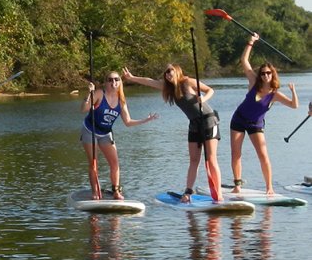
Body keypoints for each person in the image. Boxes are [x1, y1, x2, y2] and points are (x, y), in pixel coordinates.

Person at [122, 65, 223, 203]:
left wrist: (203, 99)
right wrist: (132, 78)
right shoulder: (168, 88)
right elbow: (149, 81)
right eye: (166, 72)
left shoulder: (188, 82)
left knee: (211, 159)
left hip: (208, 120)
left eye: (171, 70)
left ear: (178, 71)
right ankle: (188, 192)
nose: (168, 73)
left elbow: (210, 90)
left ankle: (219, 195)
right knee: (194, 160)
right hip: (194, 123)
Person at [230, 33, 299, 195]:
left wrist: (293, 91)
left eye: (268, 73)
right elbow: (244, 61)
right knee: (236, 153)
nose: (265, 75)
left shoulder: (274, 94)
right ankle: (237, 185)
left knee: (263, 155)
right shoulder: (254, 82)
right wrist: (251, 42)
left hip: (255, 125)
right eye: (263, 73)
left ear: (272, 74)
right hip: (238, 120)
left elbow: (294, 106)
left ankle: (269, 188)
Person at [81, 71, 158, 200]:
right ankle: (95, 191)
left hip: (106, 133)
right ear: (106, 82)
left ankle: (116, 191)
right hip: (90, 131)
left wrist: (146, 120)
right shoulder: (99, 93)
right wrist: (90, 93)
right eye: (110, 80)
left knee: (115, 163)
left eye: (116, 80)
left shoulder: (121, 101)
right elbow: (83, 109)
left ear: (120, 82)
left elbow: (128, 122)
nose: (113, 82)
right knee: (93, 163)